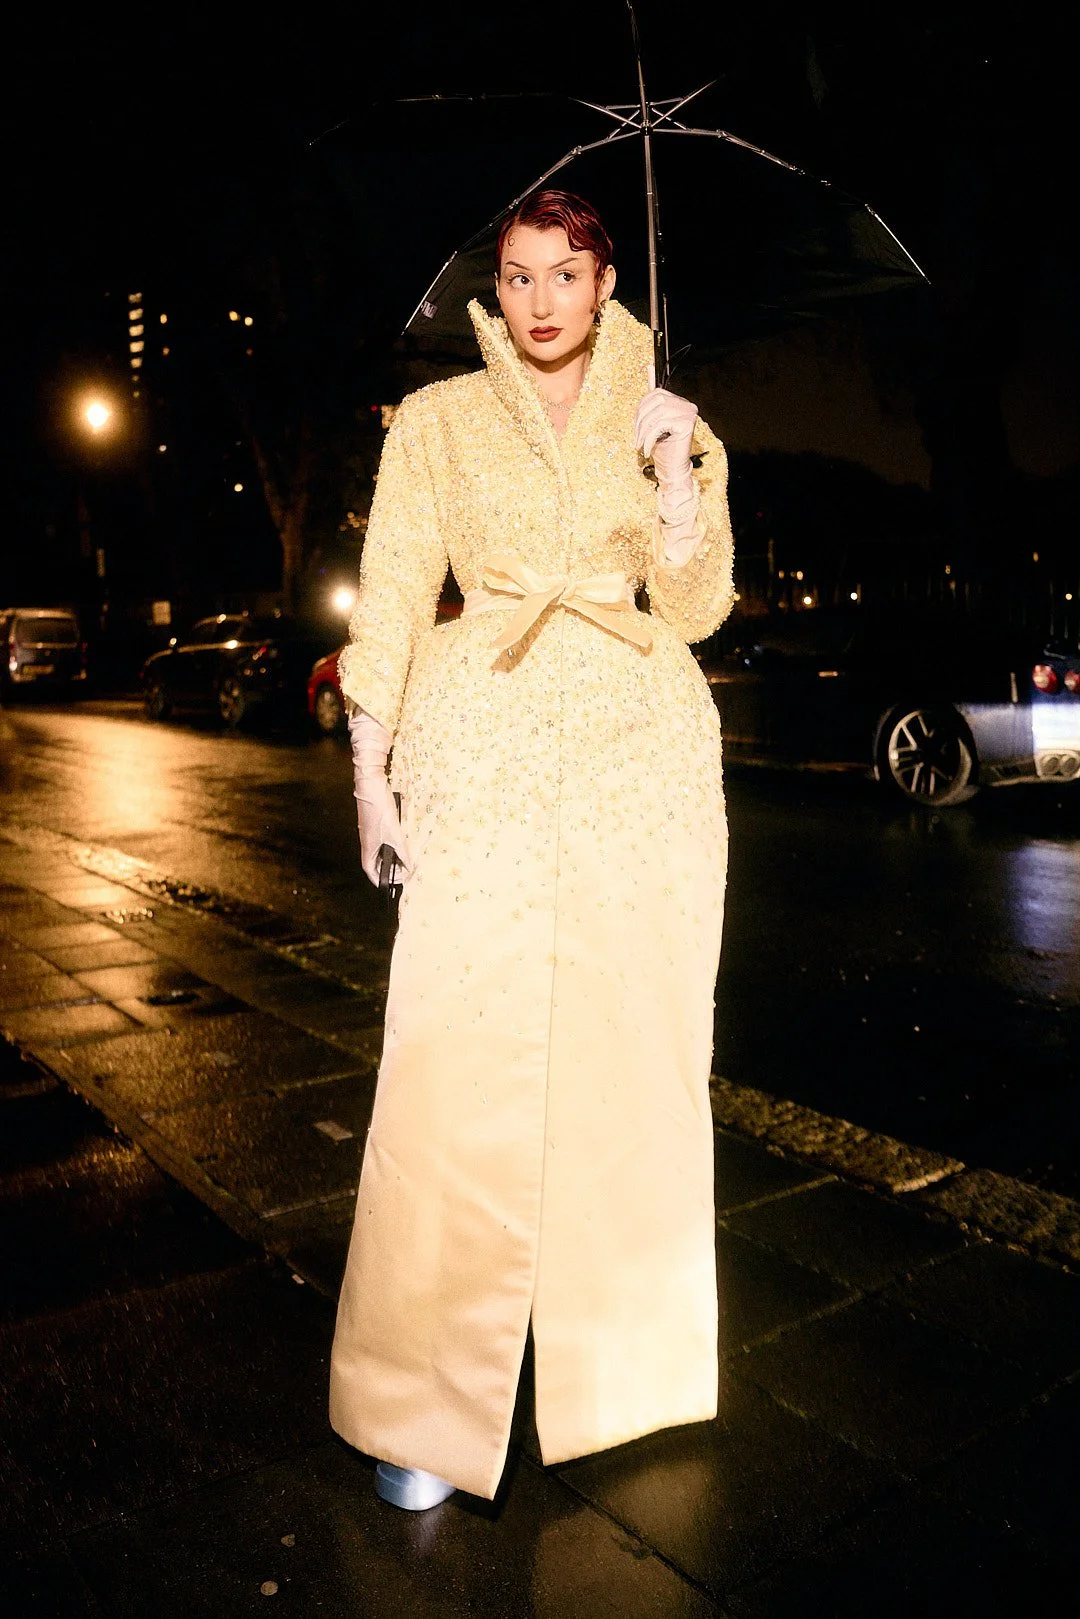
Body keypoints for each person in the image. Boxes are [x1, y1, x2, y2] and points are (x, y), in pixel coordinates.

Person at [329, 188, 735, 1511]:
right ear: (492, 291)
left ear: (609, 276)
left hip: (641, 758)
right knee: (454, 1066)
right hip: (483, 749)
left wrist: (678, 470)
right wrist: (371, 777)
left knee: (634, 1063)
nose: (543, 296)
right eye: (517, 275)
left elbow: (699, 606)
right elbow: (389, 590)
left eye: (567, 270)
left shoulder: (667, 417)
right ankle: (422, 1405)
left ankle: (627, 1378)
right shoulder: (437, 422)